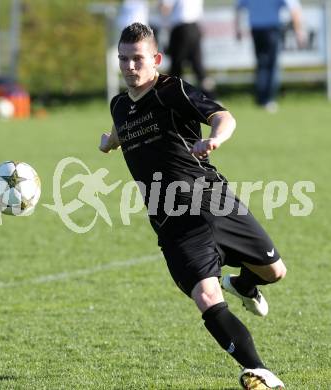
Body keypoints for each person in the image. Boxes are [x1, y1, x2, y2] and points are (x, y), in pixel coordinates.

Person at [99, 23, 287, 389]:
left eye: (137, 59)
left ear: (155, 58)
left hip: (214, 201)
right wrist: (110, 142)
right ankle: (261, 373)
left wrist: (215, 139)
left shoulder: (173, 91)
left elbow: (224, 116)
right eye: (123, 59)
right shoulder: (120, 104)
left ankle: (246, 284)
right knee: (206, 295)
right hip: (174, 222)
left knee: (275, 272)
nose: (129, 67)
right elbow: (126, 127)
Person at [235, 0, 305, 112]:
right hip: (272, 28)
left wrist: (237, 28)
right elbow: (294, 7)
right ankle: (269, 99)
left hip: (256, 28)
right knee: (271, 65)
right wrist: (299, 31)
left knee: (261, 64)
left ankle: (261, 99)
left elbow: (239, 7)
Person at [159, 0, 214, 94]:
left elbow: (165, 7)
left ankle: (172, 97)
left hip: (180, 29)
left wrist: (165, 25)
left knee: (176, 68)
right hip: (195, 28)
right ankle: (212, 97)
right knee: (199, 67)